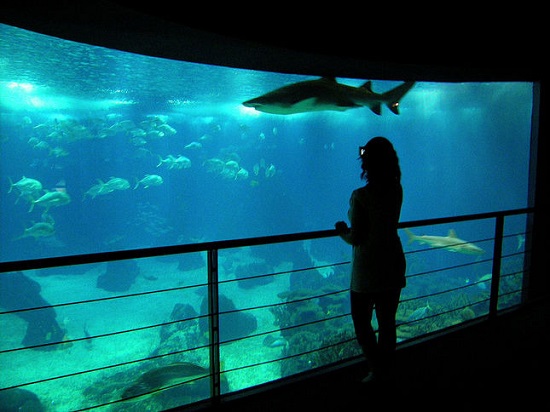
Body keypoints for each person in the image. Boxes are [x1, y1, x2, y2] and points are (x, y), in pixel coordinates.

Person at [334, 136, 406, 383]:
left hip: (368, 270)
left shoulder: (360, 196)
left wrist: (342, 231)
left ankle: (377, 370)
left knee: (362, 323)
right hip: (393, 262)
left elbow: (356, 238)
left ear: (368, 164)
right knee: (387, 323)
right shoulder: (397, 188)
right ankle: (386, 370)